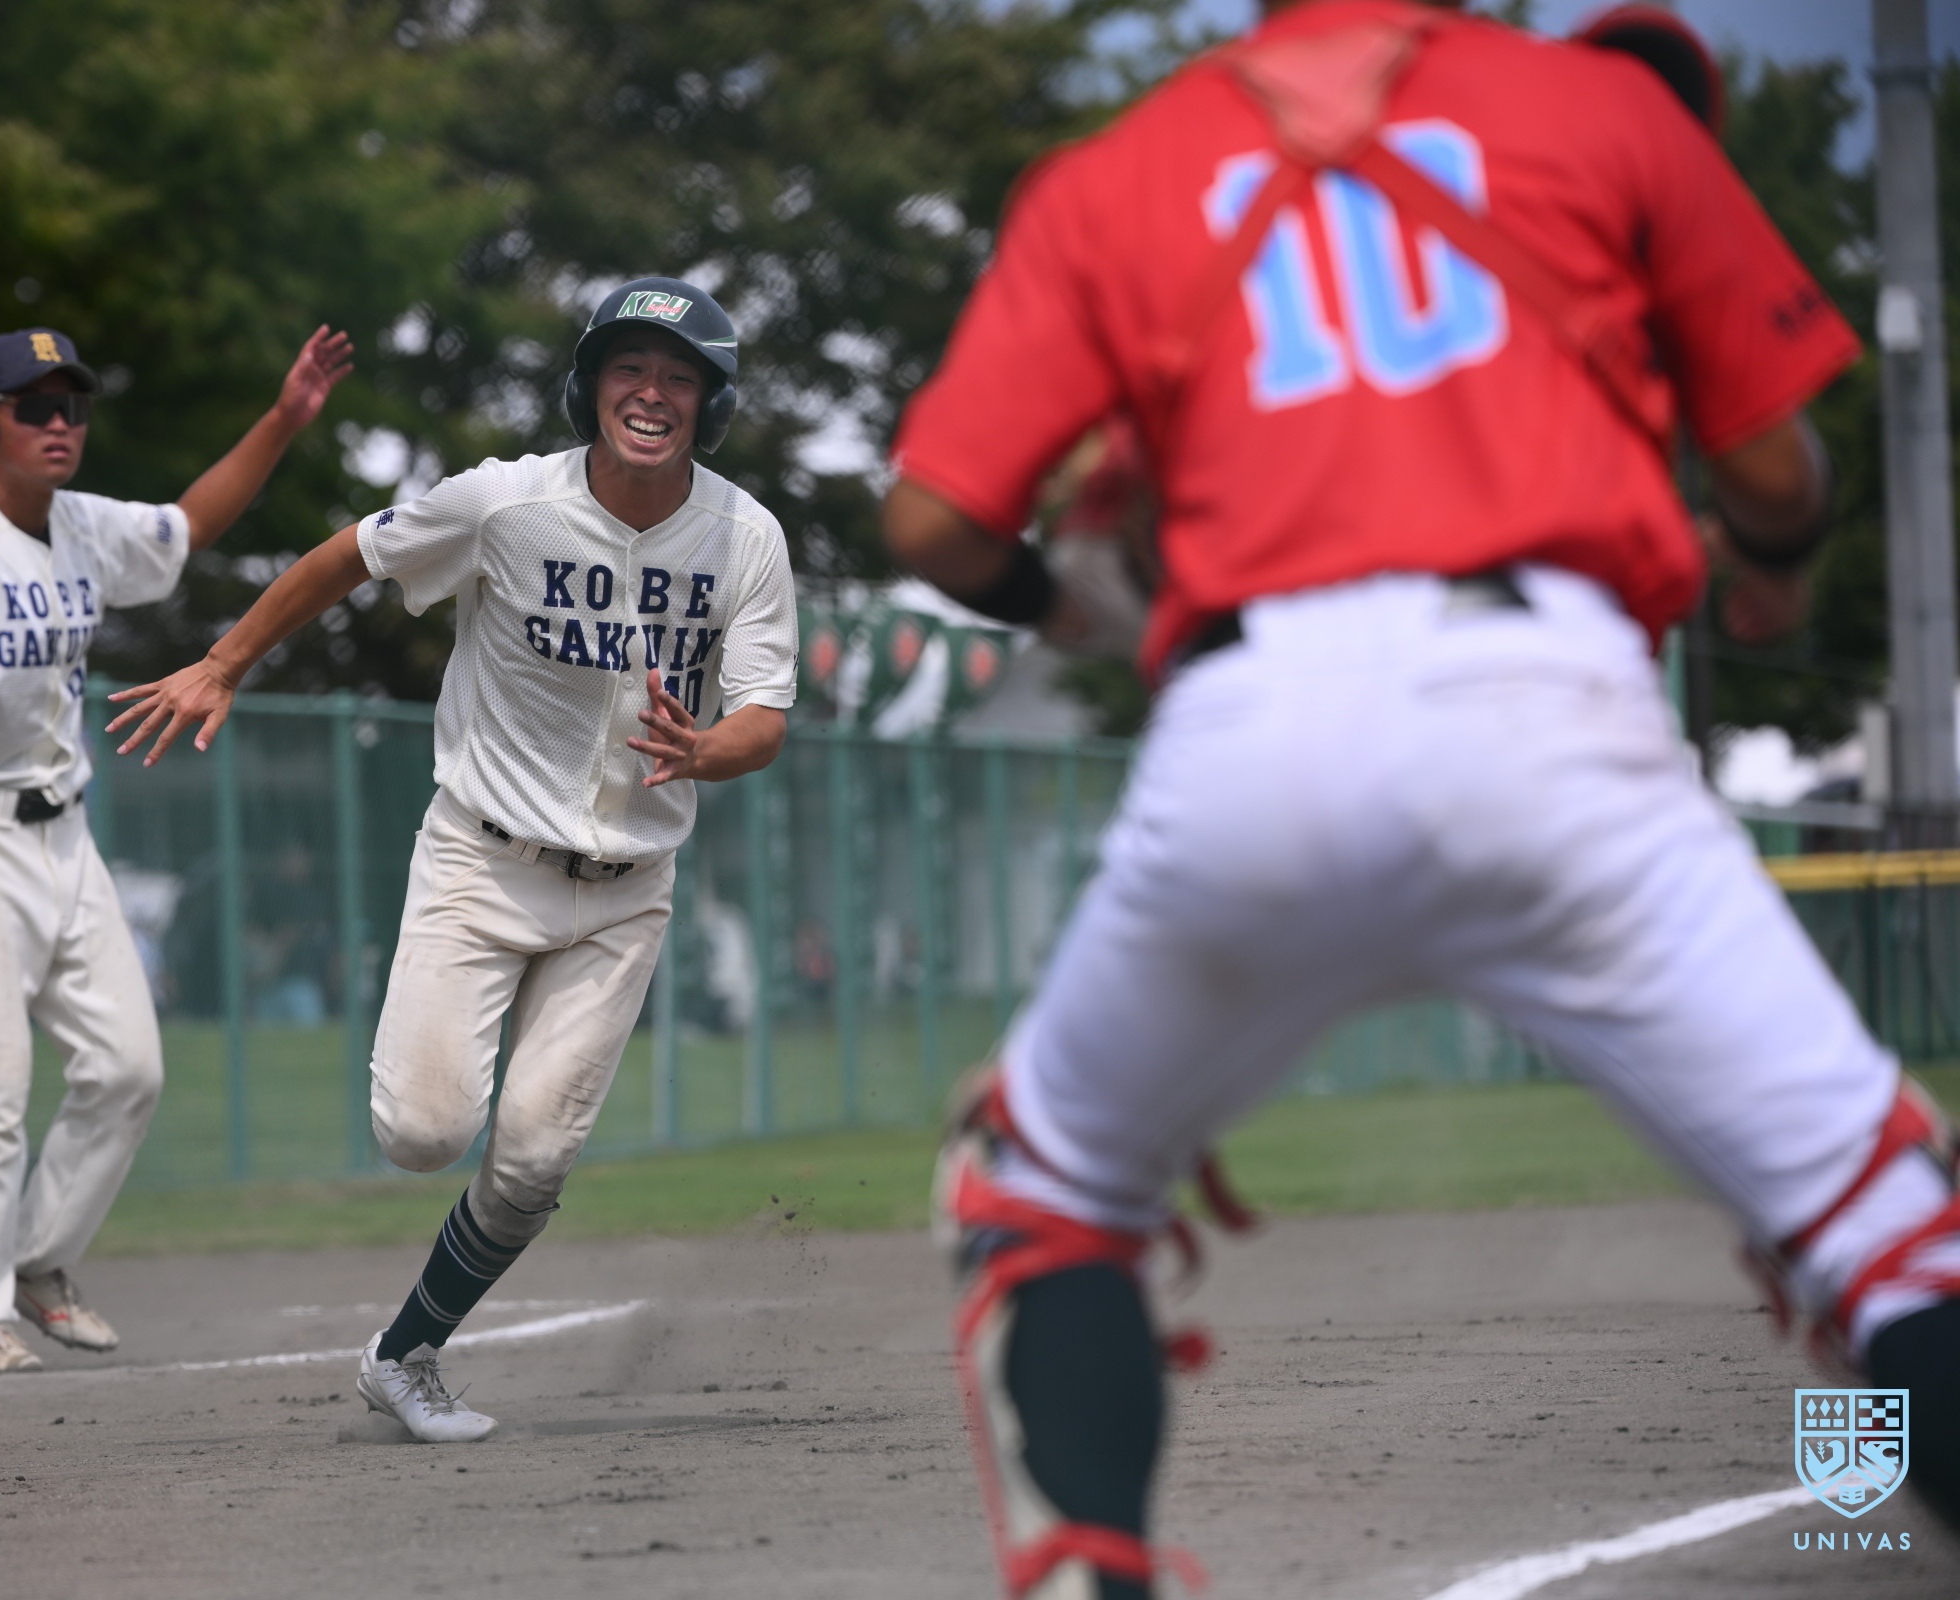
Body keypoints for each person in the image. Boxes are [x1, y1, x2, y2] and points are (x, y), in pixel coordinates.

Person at [880, 2, 1958, 1593]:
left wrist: (1069, 612)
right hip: (1551, 710)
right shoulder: (1602, 110)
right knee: (1885, 1227)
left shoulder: (1113, 173)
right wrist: (1777, 576)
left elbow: (932, 522)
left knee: (1042, 1188)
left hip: (1252, 723)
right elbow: (1777, 472)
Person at [108, 277, 799, 1441]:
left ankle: (406, 1353)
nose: (652, 393)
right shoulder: (504, 503)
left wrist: (707, 748)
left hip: (626, 890)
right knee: (424, 1132)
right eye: (630, 368)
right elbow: (348, 556)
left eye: (680, 378)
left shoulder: (745, 536)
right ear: (591, 387)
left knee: (531, 1161)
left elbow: (766, 717)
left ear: (710, 405)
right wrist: (225, 662)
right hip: (482, 859)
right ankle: (420, 1220)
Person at [0, 323, 353, 1374]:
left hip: (64, 835)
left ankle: (39, 1260)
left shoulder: (85, 527)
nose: (59, 424)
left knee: (129, 1069)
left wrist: (285, 418)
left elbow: (190, 524)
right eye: (33, 407)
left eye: (72, 407)